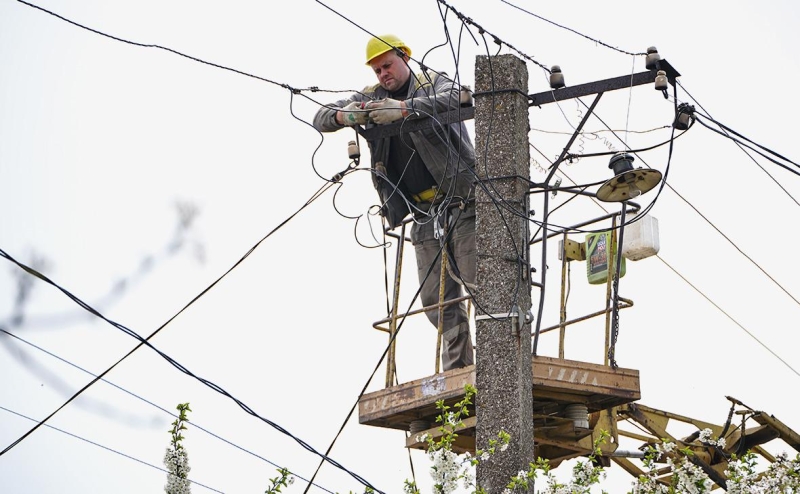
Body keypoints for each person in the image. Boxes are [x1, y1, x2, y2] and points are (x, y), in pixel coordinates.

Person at [313, 34, 477, 371]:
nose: (383, 74)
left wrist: (404, 108)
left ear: (405, 58)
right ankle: (460, 371)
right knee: (435, 298)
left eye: (387, 65)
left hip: (463, 202)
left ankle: (500, 366)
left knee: (482, 282)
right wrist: (348, 117)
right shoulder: (372, 97)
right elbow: (321, 116)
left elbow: (460, 98)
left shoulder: (432, 82)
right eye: (377, 70)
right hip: (421, 213)